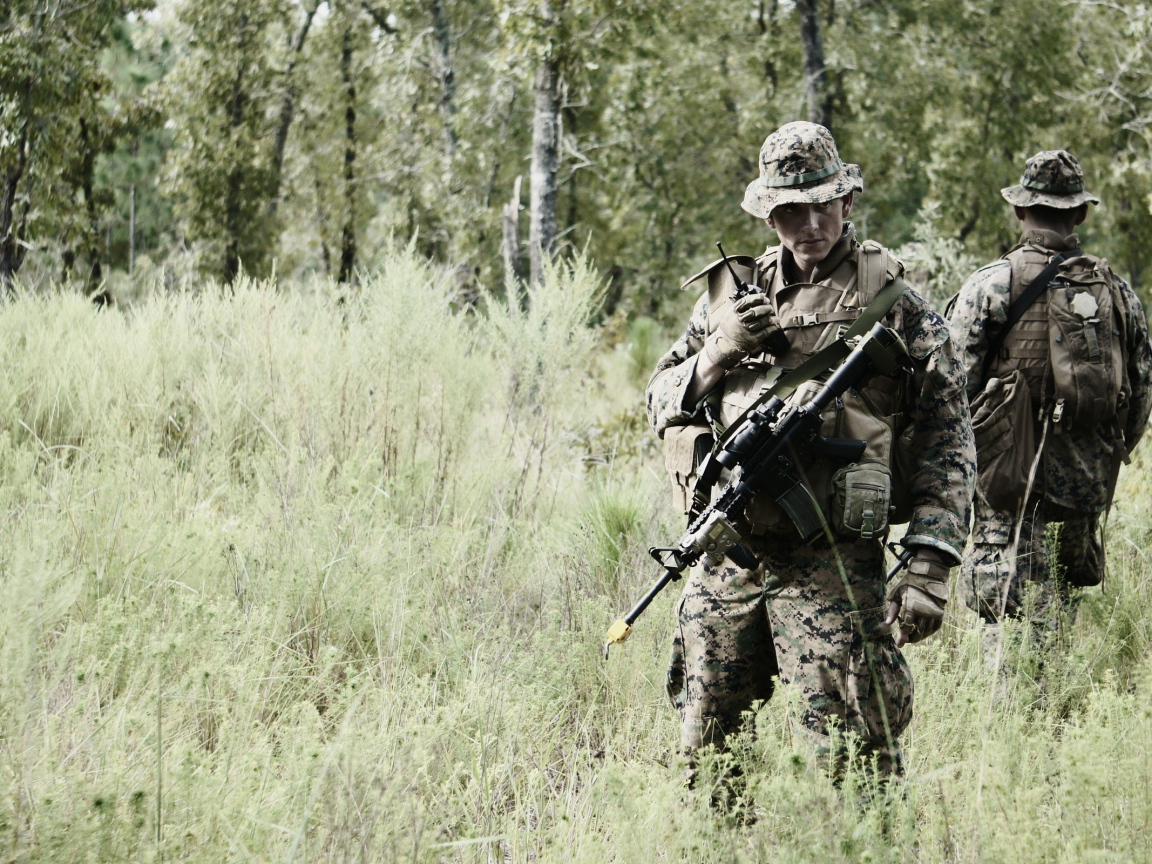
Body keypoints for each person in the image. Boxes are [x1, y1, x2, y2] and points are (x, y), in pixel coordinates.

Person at [646, 121, 974, 776]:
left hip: (833, 566)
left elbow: (949, 432)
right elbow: (659, 401)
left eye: (823, 204)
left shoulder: (894, 302)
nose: (810, 224)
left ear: (847, 202)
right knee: (706, 763)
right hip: (729, 559)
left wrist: (930, 562)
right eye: (791, 210)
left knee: (856, 767)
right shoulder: (733, 299)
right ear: (770, 214)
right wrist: (716, 353)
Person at [949, 150, 1152, 636]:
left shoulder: (989, 286)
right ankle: (1054, 711)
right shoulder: (1117, 293)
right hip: (1083, 484)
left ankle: (1016, 712)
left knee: (1004, 629)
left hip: (1008, 483)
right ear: (1080, 212)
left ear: (1020, 210)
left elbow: (952, 392)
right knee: (1057, 615)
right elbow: (1141, 396)